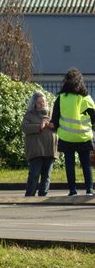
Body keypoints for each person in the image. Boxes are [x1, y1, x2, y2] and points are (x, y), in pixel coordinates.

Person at [51, 68, 95, 196]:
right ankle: (89, 190)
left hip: (66, 137)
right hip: (83, 136)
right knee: (86, 165)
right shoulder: (86, 98)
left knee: (69, 165)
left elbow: (55, 119)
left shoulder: (61, 98)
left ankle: (72, 190)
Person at [22, 90, 57, 197]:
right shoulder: (29, 114)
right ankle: (30, 195)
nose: (42, 104)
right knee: (34, 174)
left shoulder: (51, 113)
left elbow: (59, 126)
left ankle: (43, 195)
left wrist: (53, 125)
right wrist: (39, 126)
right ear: (34, 103)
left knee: (47, 175)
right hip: (36, 150)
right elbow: (24, 127)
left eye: (44, 102)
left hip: (50, 149)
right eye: (39, 102)